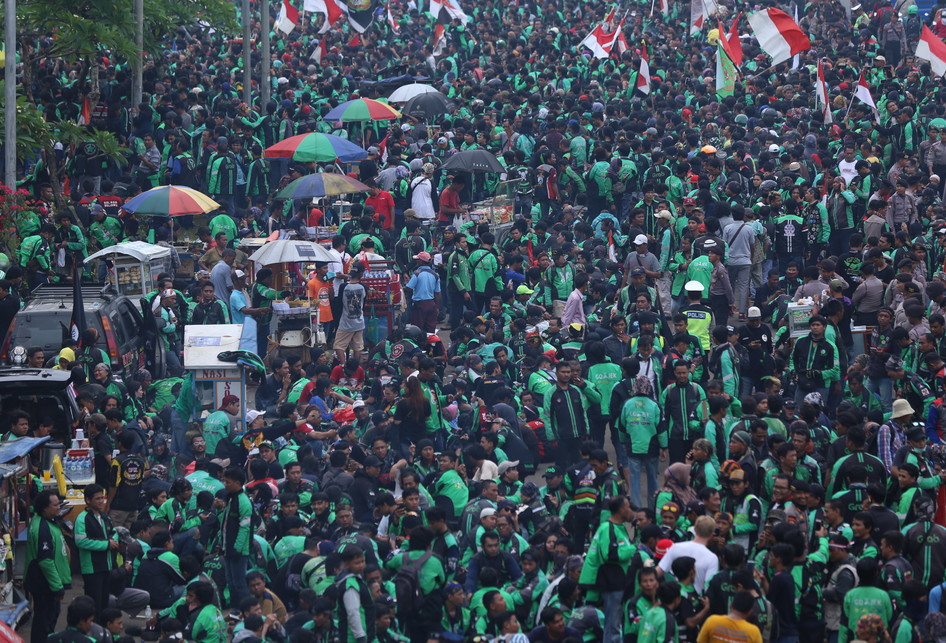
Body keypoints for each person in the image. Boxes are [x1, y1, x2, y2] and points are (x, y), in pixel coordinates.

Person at [25, 491, 71, 643]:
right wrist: (57, 586)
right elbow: (45, 561)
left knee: (47, 620)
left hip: (47, 583)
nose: (59, 507)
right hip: (44, 584)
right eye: (56, 505)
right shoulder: (42, 527)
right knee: (44, 622)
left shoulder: (46, 521)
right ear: (45, 508)